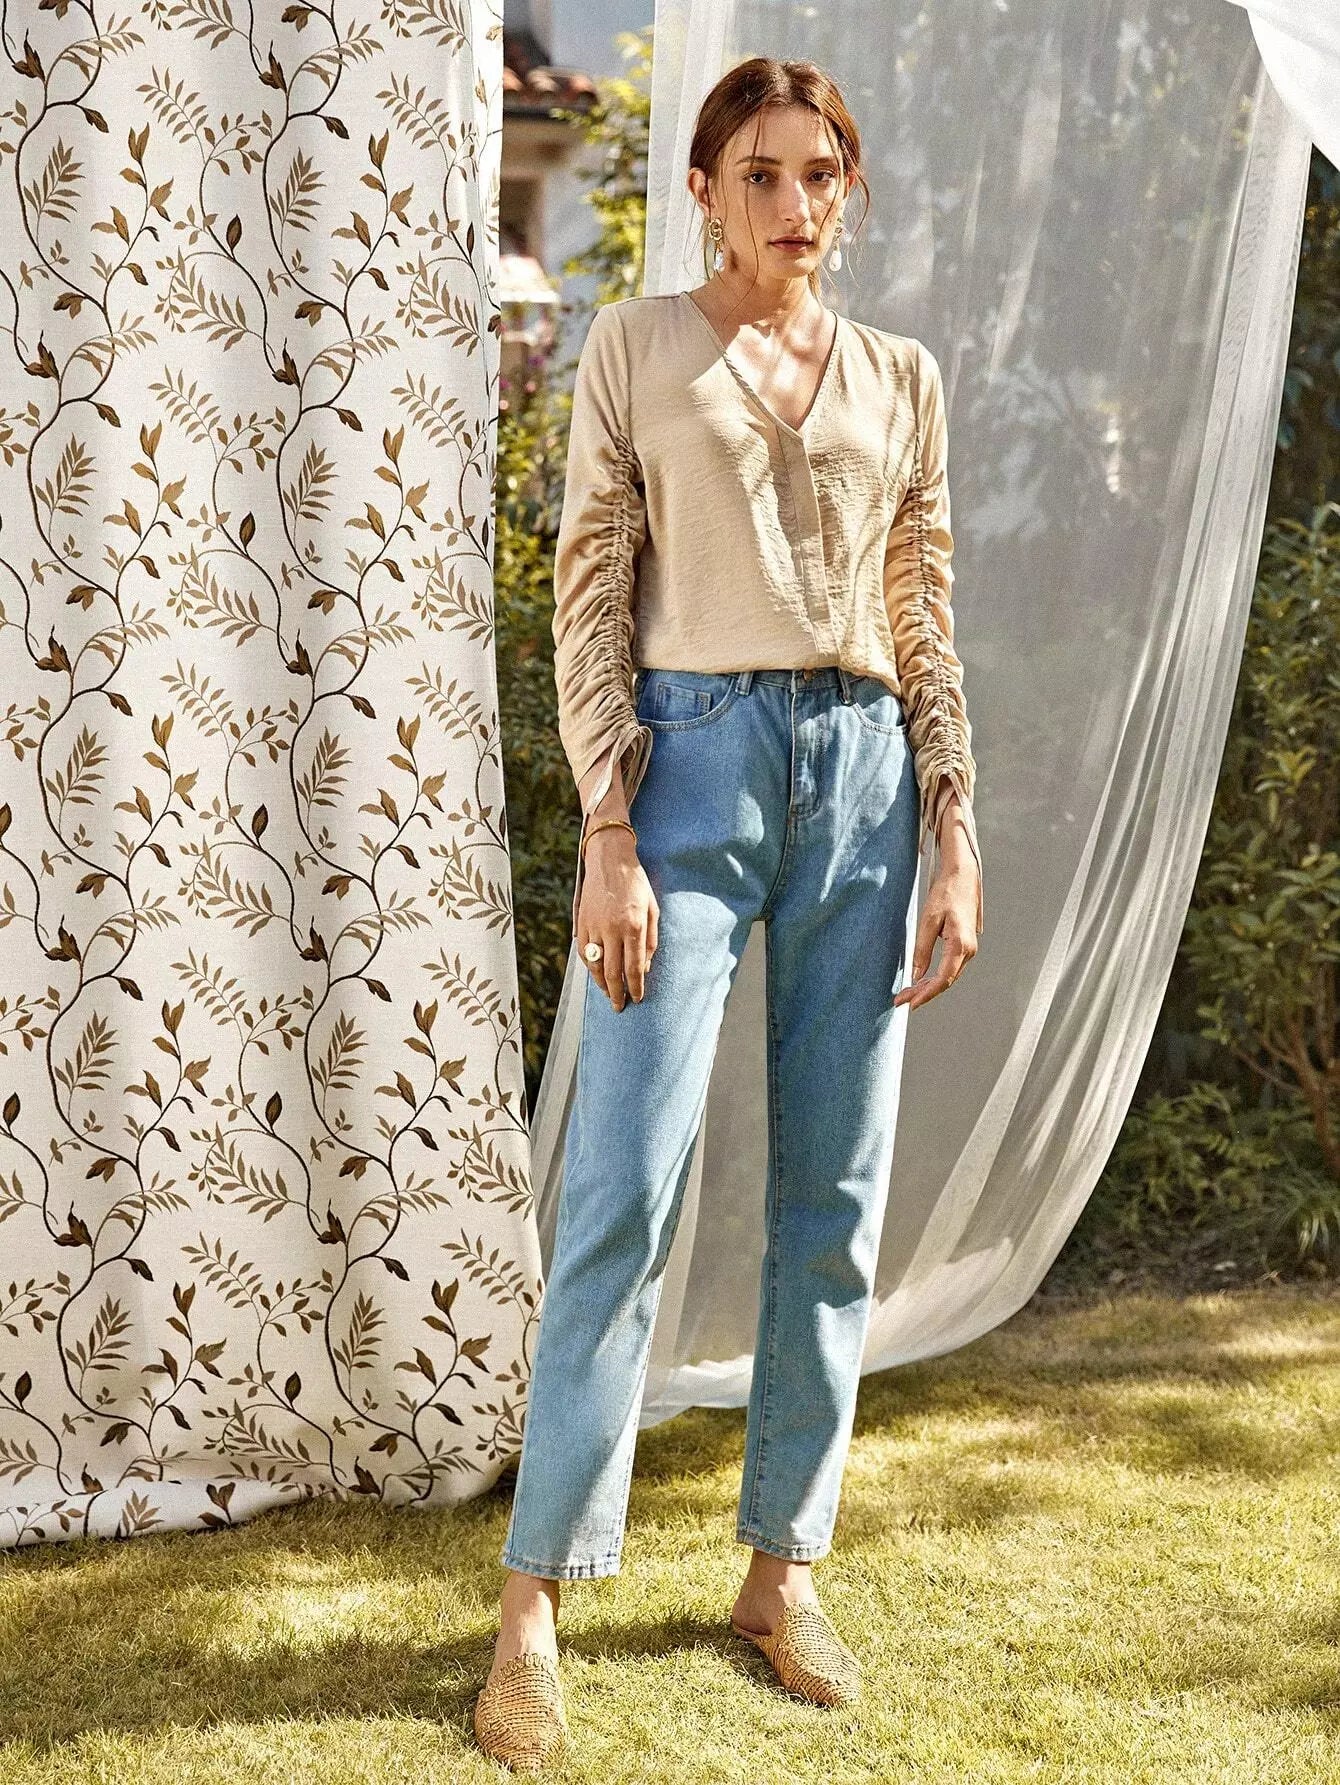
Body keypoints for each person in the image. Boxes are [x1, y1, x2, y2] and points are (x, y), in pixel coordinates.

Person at [473, 54, 983, 1773]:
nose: (796, 202)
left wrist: (955, 825)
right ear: (704, 189)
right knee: (621, 1186)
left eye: (821, 173)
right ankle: (534, 1605)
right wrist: (610, 824)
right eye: (762, 172)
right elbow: (589, 589)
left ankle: (780, 1573)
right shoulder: (635, 348)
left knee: (835, 1197)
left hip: (866, 783)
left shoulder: (902, 376)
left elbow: (924, 606)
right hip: (687, 772)